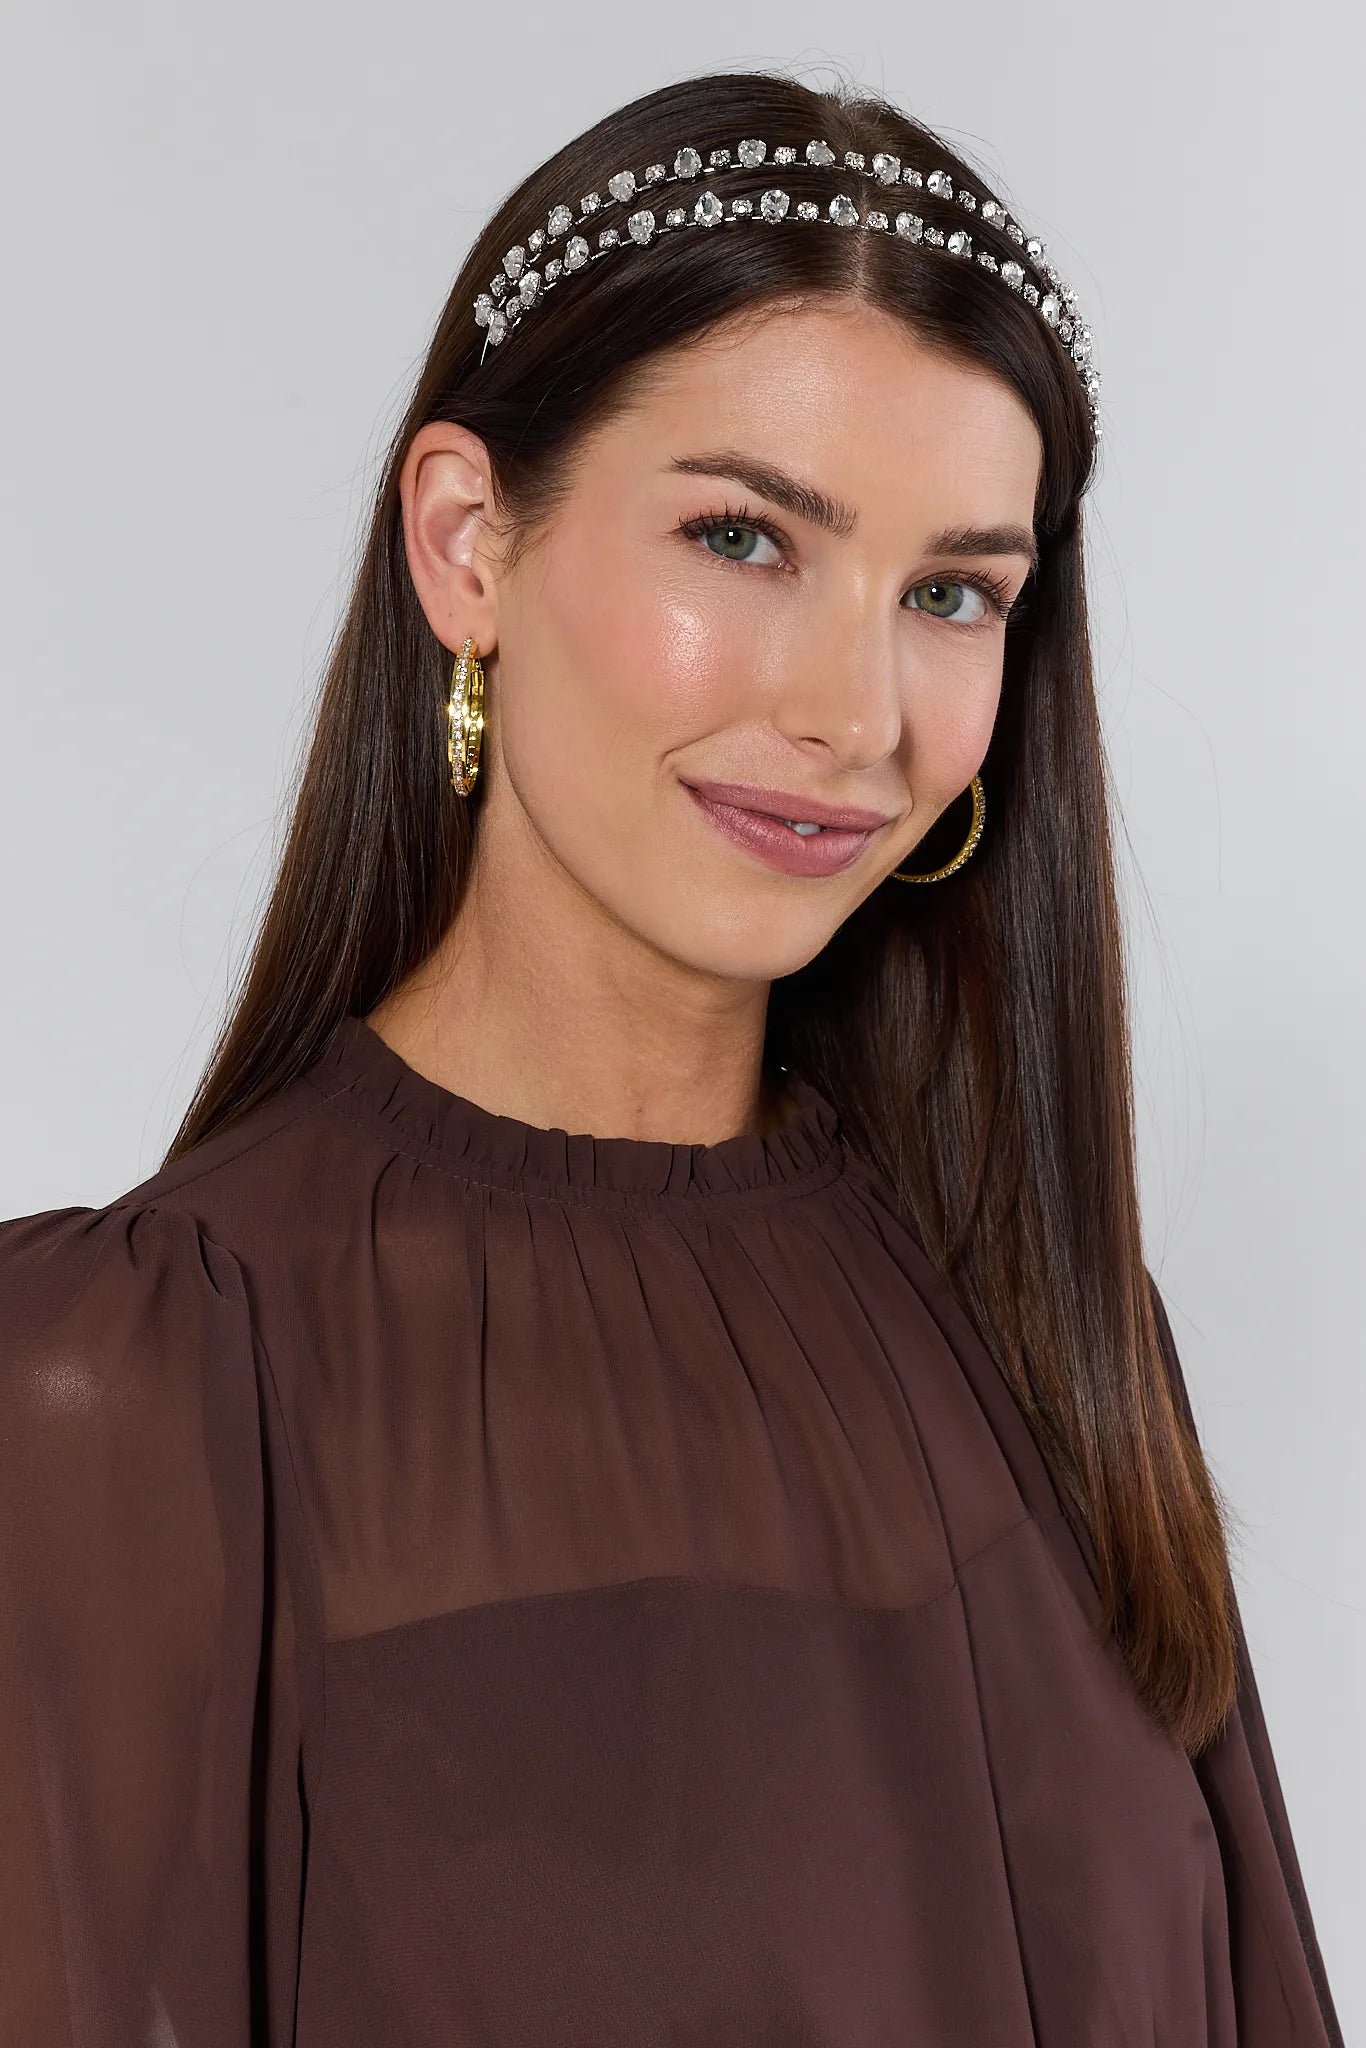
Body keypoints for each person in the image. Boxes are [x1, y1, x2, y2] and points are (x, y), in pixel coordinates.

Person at [0, 66, 1344, 2048]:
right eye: (740, 538)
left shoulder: (1047, 1313)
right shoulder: (139, 1389)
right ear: (465, 542)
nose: (856, 710)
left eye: (950, 591)